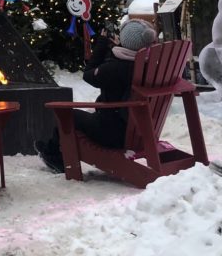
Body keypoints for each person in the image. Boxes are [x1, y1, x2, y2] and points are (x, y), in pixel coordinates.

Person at [35, 18, 158, 173]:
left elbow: (88, 74)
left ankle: (53, 155)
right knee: (82, 116)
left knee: (67, 114)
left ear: (126, 42)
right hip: (140, 130)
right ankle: (54, 152)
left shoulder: (116, 68)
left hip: (113, 132)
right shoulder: (149, 65)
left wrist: (101, 44)